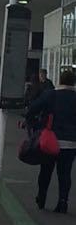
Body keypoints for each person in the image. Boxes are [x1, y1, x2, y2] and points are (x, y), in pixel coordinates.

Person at [25, 70, 76, 213]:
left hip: (50, 141)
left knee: (46, 170)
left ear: (60, 80)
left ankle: (42, 198)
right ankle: (63, 201)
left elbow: (33, 109)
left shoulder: (51, 94)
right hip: (71, 142)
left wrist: (32, 122)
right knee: (65, 173)